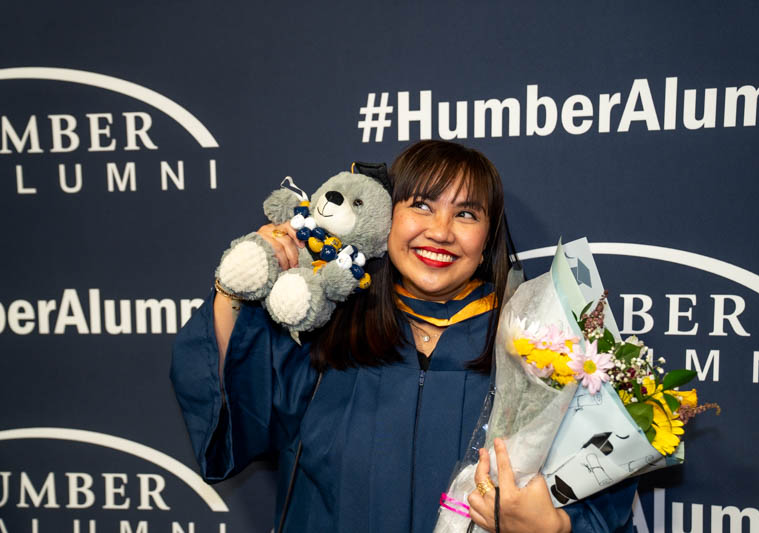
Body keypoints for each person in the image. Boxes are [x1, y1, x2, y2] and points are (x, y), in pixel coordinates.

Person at [171, 140, 637, 532]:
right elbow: (235, 407)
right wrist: (235, 289)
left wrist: (556, 526)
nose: (440, 232)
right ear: (384, 219)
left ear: (488, 238)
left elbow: (604, 488)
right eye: (421, 205)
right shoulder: (327, 329)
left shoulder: (539, 345)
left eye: (466, 214)